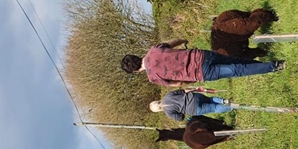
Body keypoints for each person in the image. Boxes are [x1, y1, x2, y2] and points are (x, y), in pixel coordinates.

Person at [121, 39, 284, 87]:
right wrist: (183, 40)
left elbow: (176, 84)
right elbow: (174, 42)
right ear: (136, 56)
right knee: (233, 60)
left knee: (236, 70)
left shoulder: (153, 77)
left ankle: (274, 66)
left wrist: (183, 80)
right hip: (201, 56)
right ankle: (263, 63)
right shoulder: (153, 50)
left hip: (200, 73)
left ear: (135, 71)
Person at [150, 88, 233, 122]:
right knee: (210, 99)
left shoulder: (168, 112)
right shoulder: (168, 96)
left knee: (214, 108)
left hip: (193, 109)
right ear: (157, 101)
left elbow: (180, 118)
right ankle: (224, 100)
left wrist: (181, 112)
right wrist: (194, 89)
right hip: (194, 97)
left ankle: (232, 107)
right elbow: (184, 91)